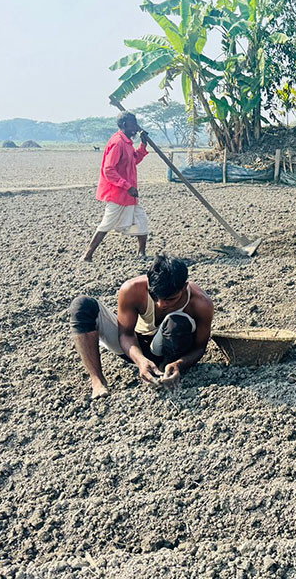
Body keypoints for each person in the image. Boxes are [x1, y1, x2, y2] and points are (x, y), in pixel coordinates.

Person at [68, 254, 214, 398]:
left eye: (170, 299)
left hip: (172, 349)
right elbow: (126, 334)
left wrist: (179, 364)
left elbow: (199, 347)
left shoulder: (201, 303)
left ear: (184, 287)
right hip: (135, 345)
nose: (160, 304)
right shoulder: (132, 289)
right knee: (81, 305)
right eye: (154, 296)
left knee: (175, 323)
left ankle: (164, 369)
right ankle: (97, 381)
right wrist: (140, 360)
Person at [81, 112, 150, 262]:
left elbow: (134, 160)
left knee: (142, 220)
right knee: (107, 223)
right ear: (124, 125)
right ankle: (87, 255)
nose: (136, 128)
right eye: (133, 124)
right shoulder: (118, 142)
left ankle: (141, 253)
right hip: (118, 193)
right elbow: (108, 169)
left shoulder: (127, 142)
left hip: (130, 194)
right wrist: (127, 186)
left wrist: (143, 144)